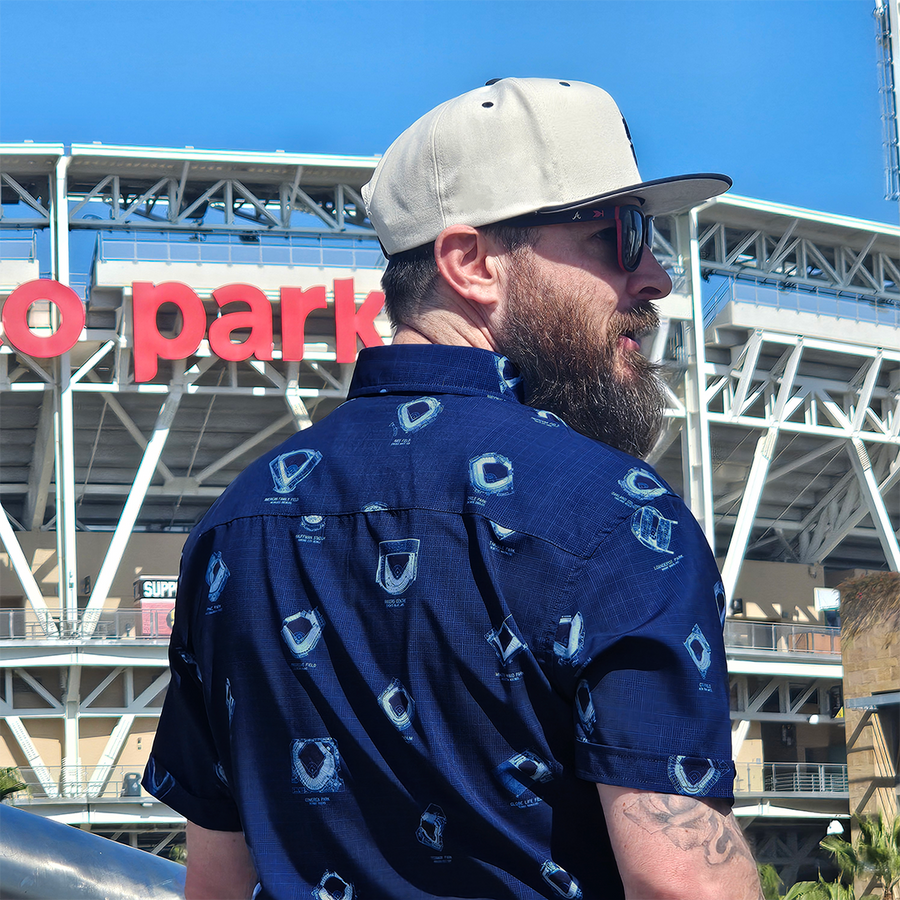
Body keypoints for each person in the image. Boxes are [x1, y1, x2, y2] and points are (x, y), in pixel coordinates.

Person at [144, 78, 762, 900]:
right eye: (622, 235)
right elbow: (682, 886)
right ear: (470, 263)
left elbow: (216, 885)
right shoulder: (616, 517)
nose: (656, 278)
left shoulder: (235, 527)